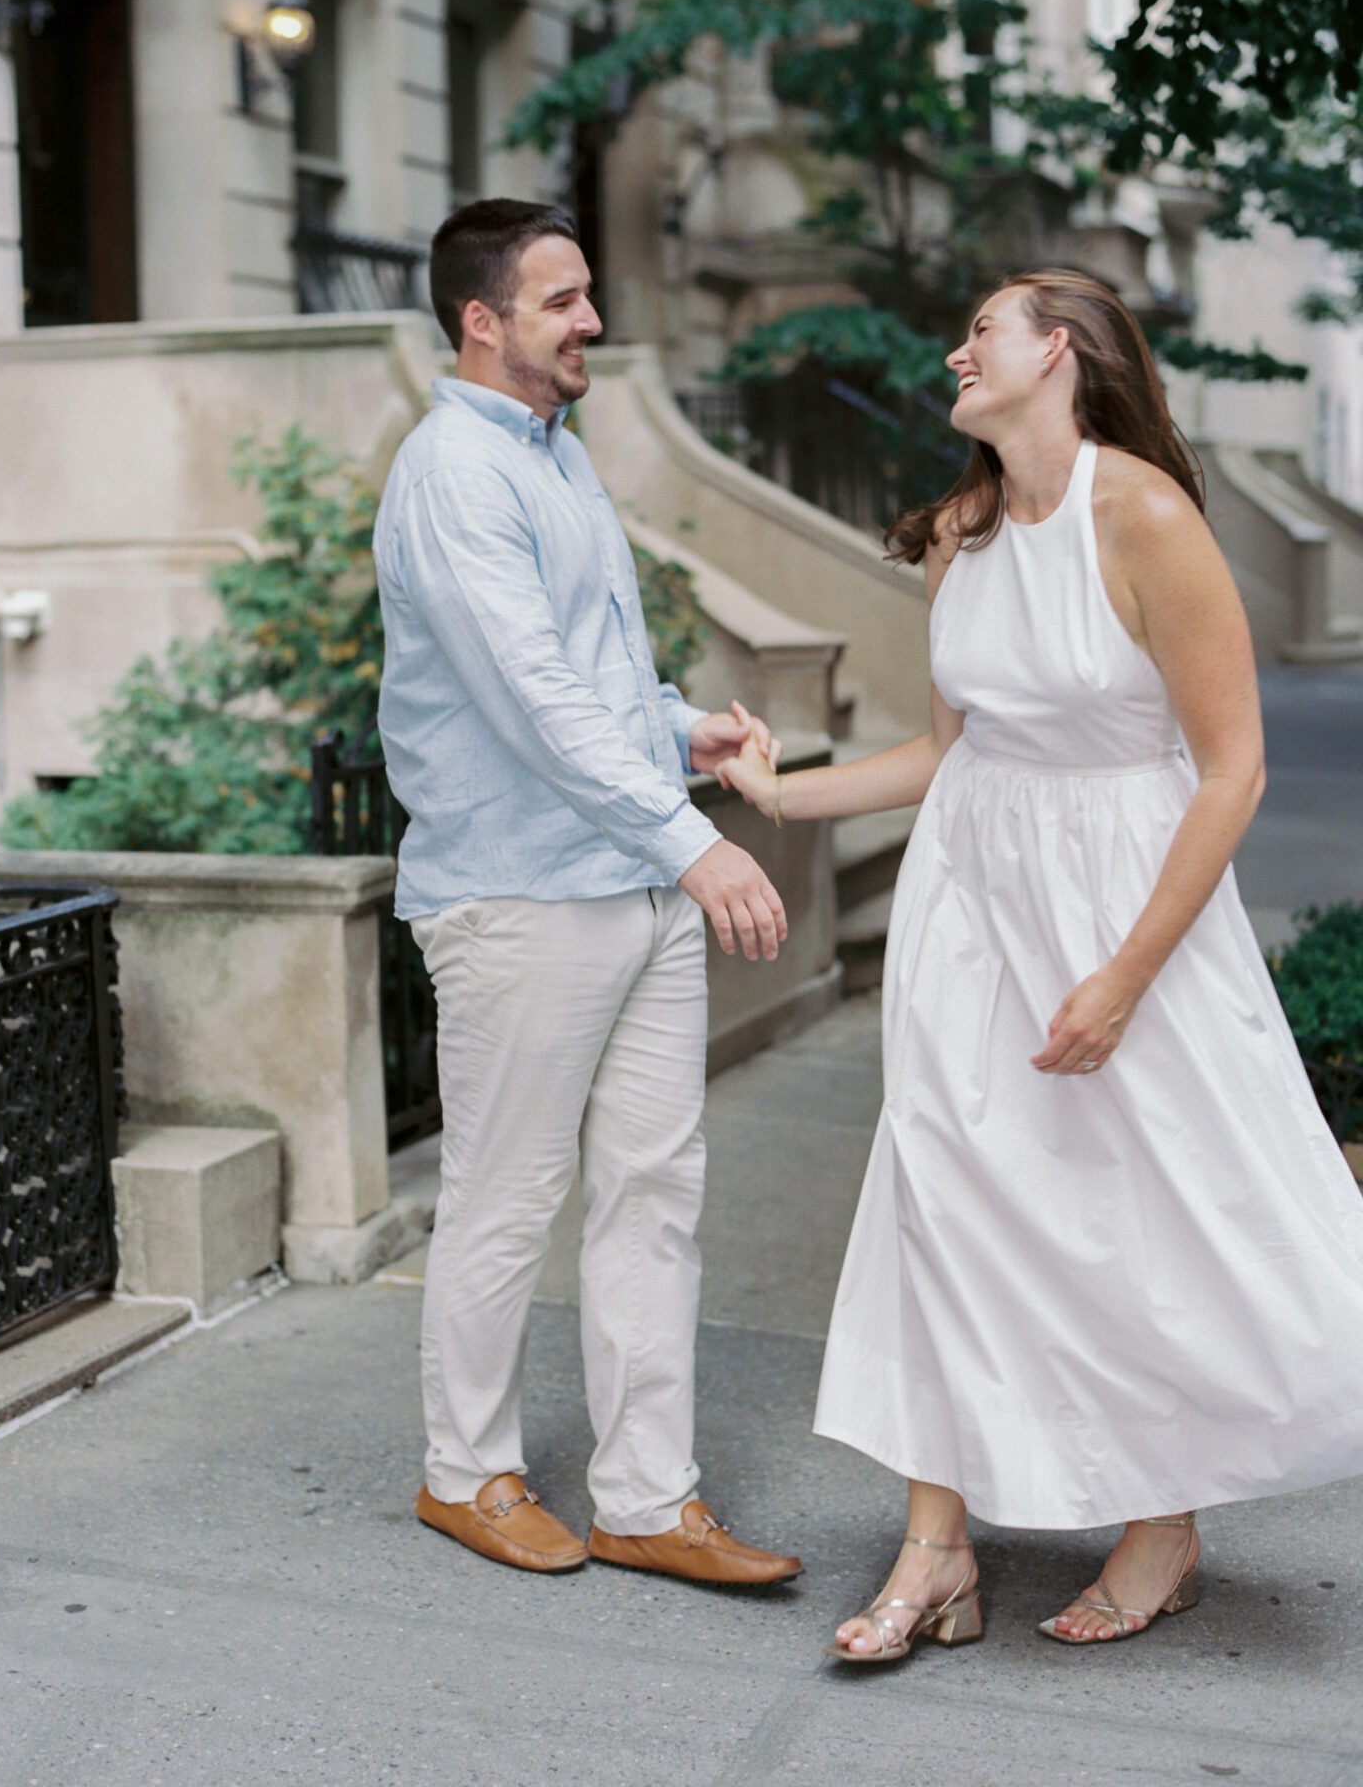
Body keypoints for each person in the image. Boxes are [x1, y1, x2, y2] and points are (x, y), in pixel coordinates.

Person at [718, 267, 1363, 1657]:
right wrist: (783, 793)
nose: (956, 352)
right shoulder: (960, 531)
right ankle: (935, 1546)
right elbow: (952, 751)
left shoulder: (1144, 515)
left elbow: (1233, 769)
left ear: (1059, 352)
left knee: (1139, 1201)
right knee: (946, 1193)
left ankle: (1163, 1520)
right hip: (971, 897)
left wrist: (1127, 974)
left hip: (1129, 897)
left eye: (983, 331)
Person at [373, 198, 802, 1585]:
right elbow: (530, 701)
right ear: (480, 320)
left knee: (652, 1193)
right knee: (508, 1195)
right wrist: (696, 839)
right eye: (560, 301)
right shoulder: (455, 472)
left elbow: (597, 685)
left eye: (587, 296)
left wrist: (690, 736)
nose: (592, 323)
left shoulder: (555, 458)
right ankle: (465, 1472)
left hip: (624, 884)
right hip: (518, 899)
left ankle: (647, 1497)